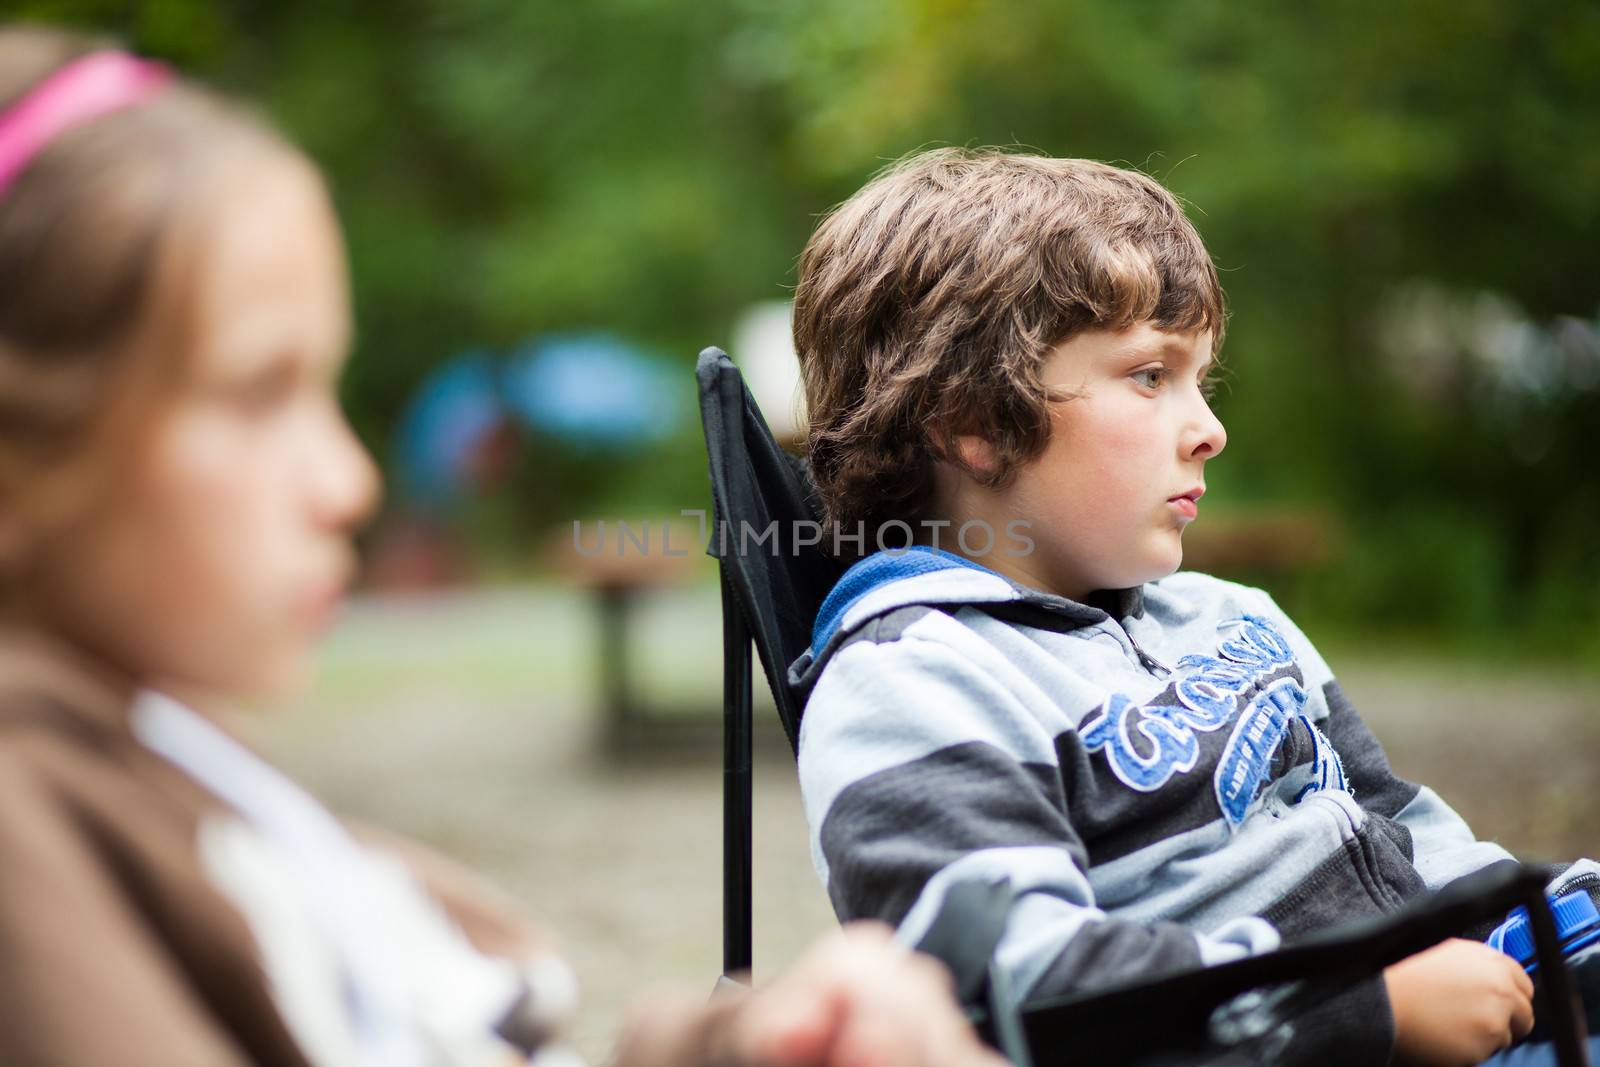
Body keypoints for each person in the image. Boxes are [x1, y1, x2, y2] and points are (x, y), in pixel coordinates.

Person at [0, 27, 1003, 1067]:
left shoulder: (156, 766)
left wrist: (740, 1043)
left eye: (325, 392)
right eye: (260, 392)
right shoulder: (28, 848)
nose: (348, 481)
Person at [787, 148, 1597, 1067]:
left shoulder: (1225, 615)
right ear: (974, 421)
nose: (1209, 427)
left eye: (1200, 379)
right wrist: (1366, 1009)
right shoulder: (916, 681)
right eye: (1148, 374)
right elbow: (1015, 990)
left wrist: (1558, 918)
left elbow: (1396, 827)